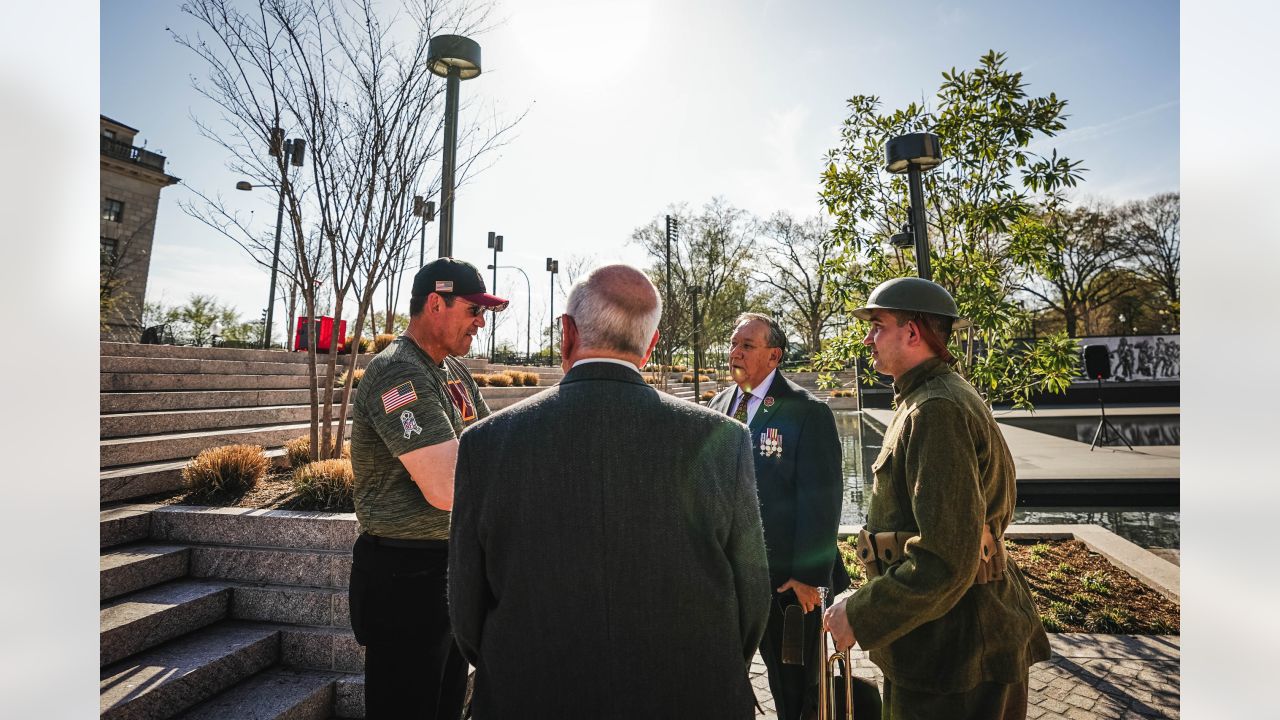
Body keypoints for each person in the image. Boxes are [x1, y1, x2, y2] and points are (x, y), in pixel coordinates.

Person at [448, 264, 771, 719]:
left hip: (530, 695)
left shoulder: (485, 444)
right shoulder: (724, 440)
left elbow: (466, 611)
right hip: (691, 696)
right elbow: (753, 597)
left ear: (567, 333)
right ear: (650, 345)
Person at [823, 277, 1050, 720]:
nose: (868, 338)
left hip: (955, 654)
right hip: (947, 641)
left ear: (913, 332)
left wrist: (861, 613)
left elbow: (946, 557)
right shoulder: (929, 397)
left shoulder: (936, 409)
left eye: (878, 325)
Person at [347, 257, 508, 719]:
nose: (480, 323)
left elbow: (493, 443)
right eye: (473, 310)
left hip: (447, 568)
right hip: (405, 577)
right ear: (436, 303)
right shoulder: (399, 372)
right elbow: (445, 486)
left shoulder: (450, 371)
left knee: (444, 706)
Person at [708, 313, 846, 720]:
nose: (736, 352)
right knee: (727, 678)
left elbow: (823, 499)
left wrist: (809, 576)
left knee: (794, 690)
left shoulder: (806, 412)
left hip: (788, 585)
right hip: (731, 576)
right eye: (733, 344)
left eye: (747, 346)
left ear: (774, 356)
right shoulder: (719, 404)